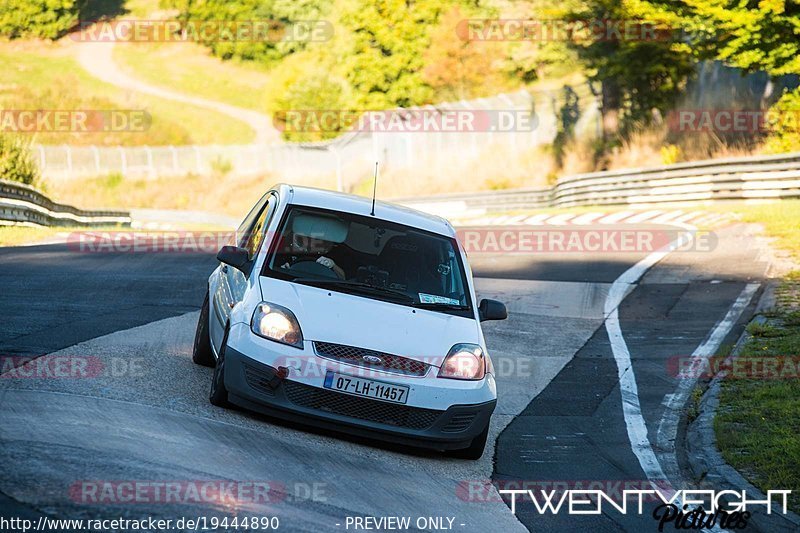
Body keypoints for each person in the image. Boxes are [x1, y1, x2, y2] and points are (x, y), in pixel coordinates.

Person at [277, 232, 346, 279]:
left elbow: (343, 278)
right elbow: (272, 271)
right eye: (299, 239)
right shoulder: (284, 250)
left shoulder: (336, 252)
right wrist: (283, 270)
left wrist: (333, 265)